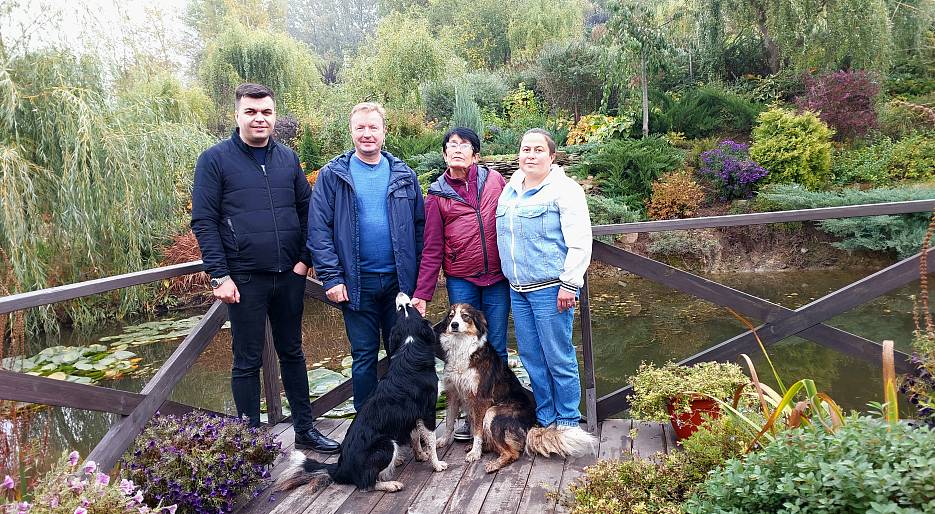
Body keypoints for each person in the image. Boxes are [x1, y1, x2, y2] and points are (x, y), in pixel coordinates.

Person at [191, 83, 340, 453]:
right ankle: (251, 443)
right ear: (238, 115)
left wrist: (305, 261)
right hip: (243, 278)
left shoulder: (287, 159)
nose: (260, 118)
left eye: (266, 112)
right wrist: (219, 274)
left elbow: (309, 213)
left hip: (289, 275)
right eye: (251, 112)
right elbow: (204, 220)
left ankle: (305, 429)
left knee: (293, 352)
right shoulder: (215, 160)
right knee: (246, 360)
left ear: (275, 116)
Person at [308, 102, 425, 412]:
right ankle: (367, 427)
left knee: (403, 355)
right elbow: (318, 230)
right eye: (360, 128)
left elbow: (420, 229)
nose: (367, 134)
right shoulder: (333, 175)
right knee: (363, 356)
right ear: (351, 132)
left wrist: (418, 285)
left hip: (399, 286)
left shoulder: (403, 174)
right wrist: (331, 277)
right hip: (356, 284)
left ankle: (402, 426)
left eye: (373, 127)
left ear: (384, 132)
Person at [495, 128, 593, 434]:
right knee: (532, 358)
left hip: (551, 289)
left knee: (558, 357)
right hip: (518, 289)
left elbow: (580, 240)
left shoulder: (564, 190)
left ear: (551, 156)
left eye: (538, 150)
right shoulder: (510, 189)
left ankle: (567, 422)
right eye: (526, 149)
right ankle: (546, 417)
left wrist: (569, 283)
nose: (531, 155)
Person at [412, 127, 509, 363]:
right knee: (464, 347)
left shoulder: (494, 180)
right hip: (462, 280)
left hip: (497, 278)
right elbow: (432, 248)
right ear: (445, 155)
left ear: (475, 156)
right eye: (452, 145)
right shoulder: (437, 195)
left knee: (496, 346)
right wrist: (423, 294)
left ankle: (500, 400)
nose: (457, 149)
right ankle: (470, 399)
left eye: (464, 145)